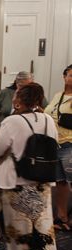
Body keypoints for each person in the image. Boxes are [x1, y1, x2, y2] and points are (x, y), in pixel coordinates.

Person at [0, 83, 58, 250]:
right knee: (41, 225)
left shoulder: (12, 121)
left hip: (14, 181)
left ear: (18, 100)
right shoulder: (47, 120)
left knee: (12, 226)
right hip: (41, 179)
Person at [45, 64, 72, 230]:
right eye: (69, 75)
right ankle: (61, 217)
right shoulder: (58, 95)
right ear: (64, 77)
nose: (71, 79)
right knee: (60, 182)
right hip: (55, 143)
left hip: (70, 143)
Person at [0, 71, 34, 141]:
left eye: (28, 86)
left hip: (25, 135)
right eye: (21, 86)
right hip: (2, 133)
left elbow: (44, 111)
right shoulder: (5, 93)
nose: (25, 89)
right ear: (16, 83)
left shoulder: (35, 95)